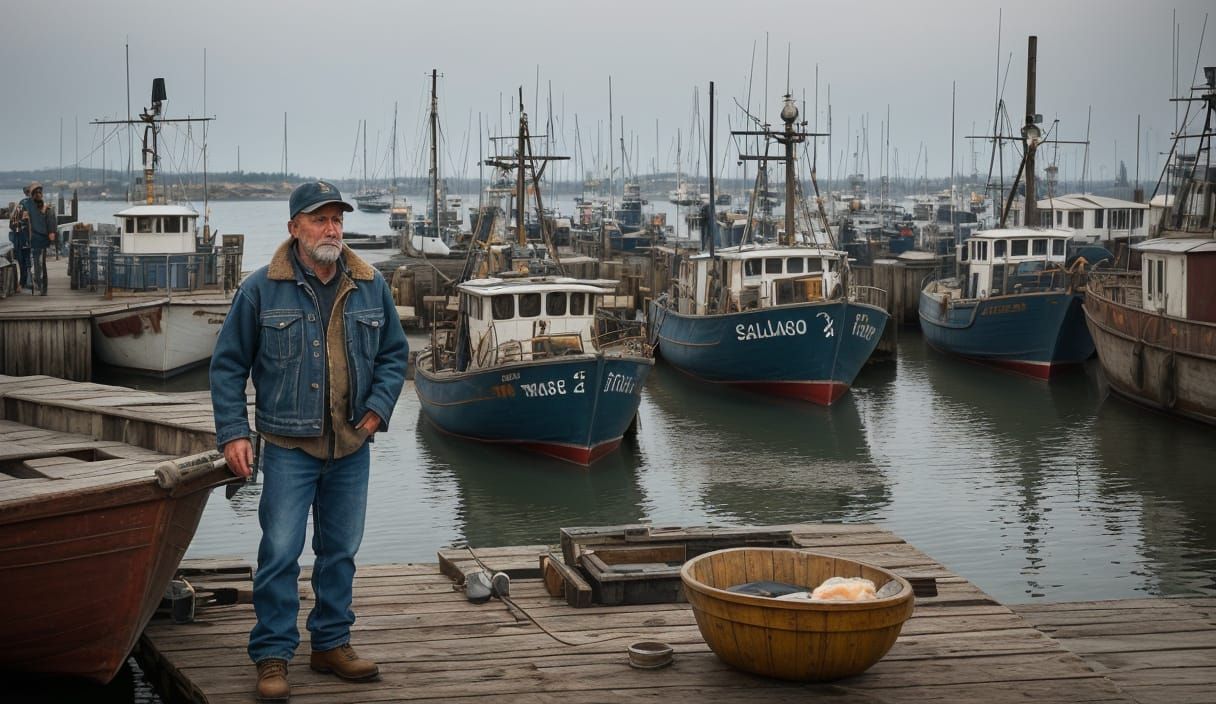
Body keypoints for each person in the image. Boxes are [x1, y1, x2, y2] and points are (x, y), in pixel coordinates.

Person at [210, 181, 408, 702]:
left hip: (351, 446)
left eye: (336, 218)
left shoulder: (371, 285)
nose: (332, 229)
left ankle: (331, 643)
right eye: (319, 219)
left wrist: (375, 414)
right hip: (289, 448)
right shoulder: (259, 290)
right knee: (279, 552)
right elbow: (228, 367)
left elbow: (394, 354)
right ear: (294, 228)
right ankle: (273, 655)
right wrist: (233, 432)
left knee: (340, 550)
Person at [14, 182, 54, 295]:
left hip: (37, 239)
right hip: (29, 239)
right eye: (34, 192)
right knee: (32, 264)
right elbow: (20, 221)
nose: (37, 194)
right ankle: (34, 285)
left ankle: (40, 287)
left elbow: (49, 221)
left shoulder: (44, 206)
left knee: (38, 264)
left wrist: (51, 234)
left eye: (39, 192)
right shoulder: (25, 204)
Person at [6, 188, 31, 291]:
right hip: (23, 239)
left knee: (24, 262)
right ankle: (24, 282)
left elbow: (12, 225)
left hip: (23, 240)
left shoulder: (22, 205)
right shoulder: (24, 205)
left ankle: (24, 282)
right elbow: (13, 225)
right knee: (24, 262)